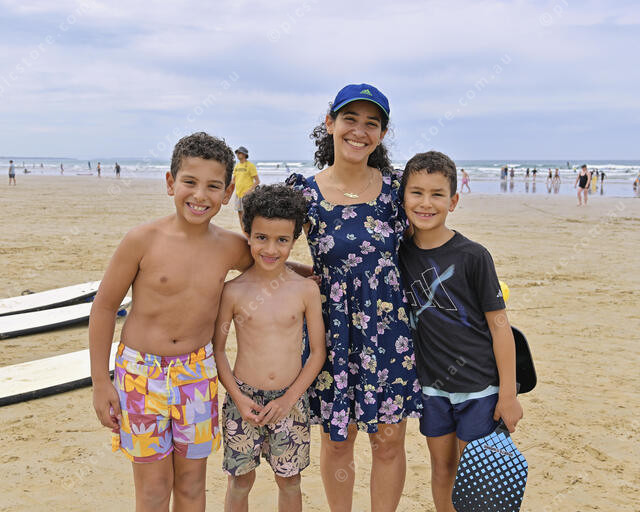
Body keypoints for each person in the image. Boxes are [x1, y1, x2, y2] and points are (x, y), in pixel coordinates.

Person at [89, 132, 253, 511]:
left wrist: (309, 276)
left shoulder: (230, 247)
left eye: (213, 186)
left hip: (197, 374)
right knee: (153, 488)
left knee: (193, 485)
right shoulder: (142, 240)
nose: (200, 195)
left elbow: (269, 266)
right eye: (189, 182)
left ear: (228, 193)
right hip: (139, 375)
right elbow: (104, 307)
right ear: (170, 183)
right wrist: (100, 382)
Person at [287, 83, 421, 511]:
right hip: (333, 335)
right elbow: (263, 246)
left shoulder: (397, 190)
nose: (359, 131)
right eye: (350, 119)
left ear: (382, 134)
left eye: (371, 123)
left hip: (389, 335)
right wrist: (307, 276)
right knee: (338, 441)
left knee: (388, 442)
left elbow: (428, 246)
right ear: (329, 123)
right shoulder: (304, 193)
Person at [398, 151, 523, 512]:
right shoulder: (399, 254)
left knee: (476, 477)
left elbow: (501, 329)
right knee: (442, 469)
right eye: (416, 192)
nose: (426, 203)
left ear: (453, 201)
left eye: (437, 194)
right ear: (403, 198)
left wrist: (508, 395)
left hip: (480, 388)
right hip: (432, 388)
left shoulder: (473, 256)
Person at [213, 185, 326, 512]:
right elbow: (218, 351)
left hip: (291, 400)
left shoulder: (305, 290)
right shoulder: (233, 291)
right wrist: (238, 397)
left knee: (290, 482)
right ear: (247, 233)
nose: (271, 249)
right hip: (242, 400)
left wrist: (289, 399)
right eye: (261, 238)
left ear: (294, 240)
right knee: (239, 482)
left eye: (282, 240)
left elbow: (317, 352)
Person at [231, 146, 260, 229]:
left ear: (244, 154)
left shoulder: (250, 166)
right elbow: (233, 181)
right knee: (240, 213)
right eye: (237, 153)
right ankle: (243, 231)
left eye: (239, 153)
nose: (237, 154)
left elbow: (257, 181)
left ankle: (248, 230)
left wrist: (249, 191)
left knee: (247, 214)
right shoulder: (237, 166)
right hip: (238, 194)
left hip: (247, 195)